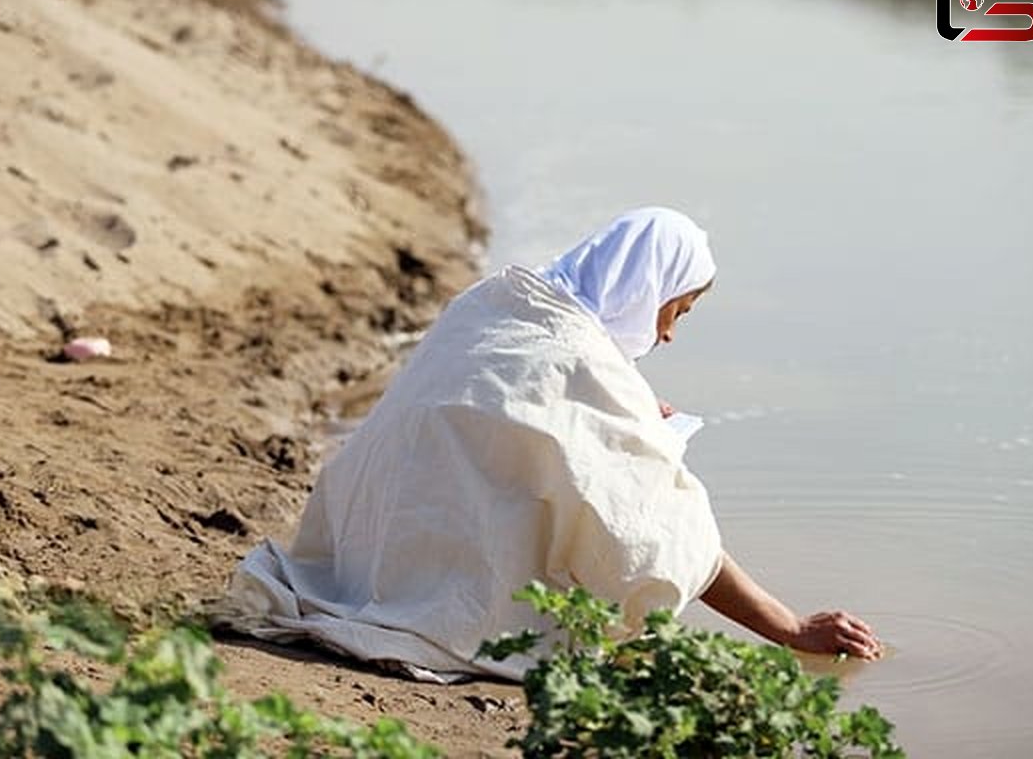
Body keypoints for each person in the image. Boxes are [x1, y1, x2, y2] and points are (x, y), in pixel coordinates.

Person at [220, 206, 883, 682]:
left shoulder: (500, 302)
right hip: (437, 594)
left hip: (356, 560)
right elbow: (659, 533)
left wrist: (627, 411)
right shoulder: (576, 358)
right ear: (645, 290)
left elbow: (514, 406)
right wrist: (789, 629)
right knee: (649, 501)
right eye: (676, 312)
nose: (672, 336)